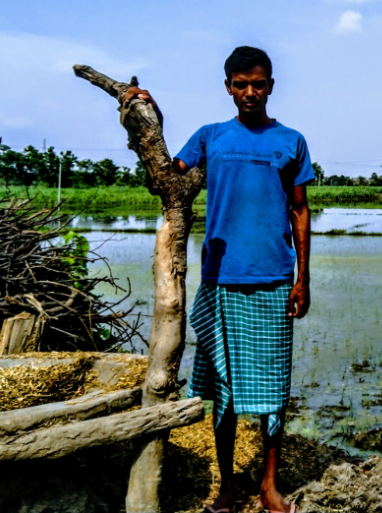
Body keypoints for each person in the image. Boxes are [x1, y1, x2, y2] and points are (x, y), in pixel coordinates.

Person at [124, 46, 313, 513]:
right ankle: (227, 486)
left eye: (259, 84)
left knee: (273, 390)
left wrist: (302, 278)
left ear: (271, 85)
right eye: (240, 84)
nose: (250, 92)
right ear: (227, 86)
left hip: (272, 278)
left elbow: (300, 209)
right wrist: (146, 117)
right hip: (220, 280)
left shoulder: (290, 140)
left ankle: (269, 485)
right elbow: (165, 180)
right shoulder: (211, 136)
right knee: (223, 391)